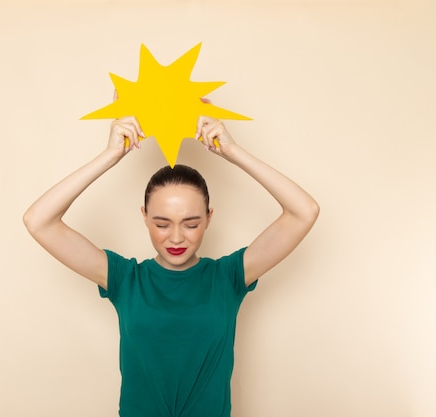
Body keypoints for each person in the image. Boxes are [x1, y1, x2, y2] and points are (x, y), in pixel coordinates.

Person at [23, 113, 319, 417]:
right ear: (144, 217)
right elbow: (38, 221)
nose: (176, 237)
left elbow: (304, 211)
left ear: (208, 218)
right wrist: (110, 155)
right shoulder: (125, 280)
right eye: (162, 223)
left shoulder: (228, 277)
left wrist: (232, 151)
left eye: (191, 223)